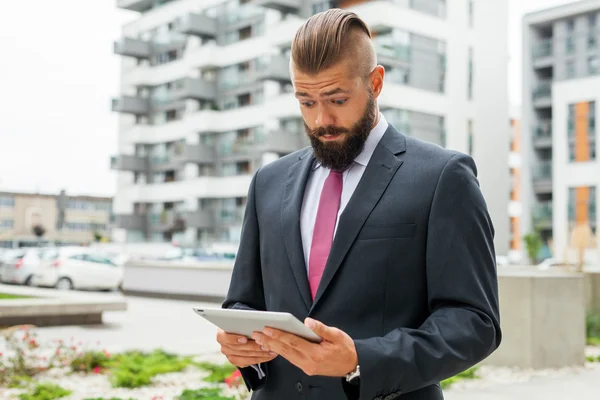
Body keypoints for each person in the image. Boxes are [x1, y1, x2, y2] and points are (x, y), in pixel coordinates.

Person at [217, 8, 501, 400]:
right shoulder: (268, 182)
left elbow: (475, 322)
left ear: (376, 82)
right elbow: (243, 300)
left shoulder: (442, 177)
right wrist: (240, 341)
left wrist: (361, 360)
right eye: (306, 101)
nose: (321, 120)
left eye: (336, 98)